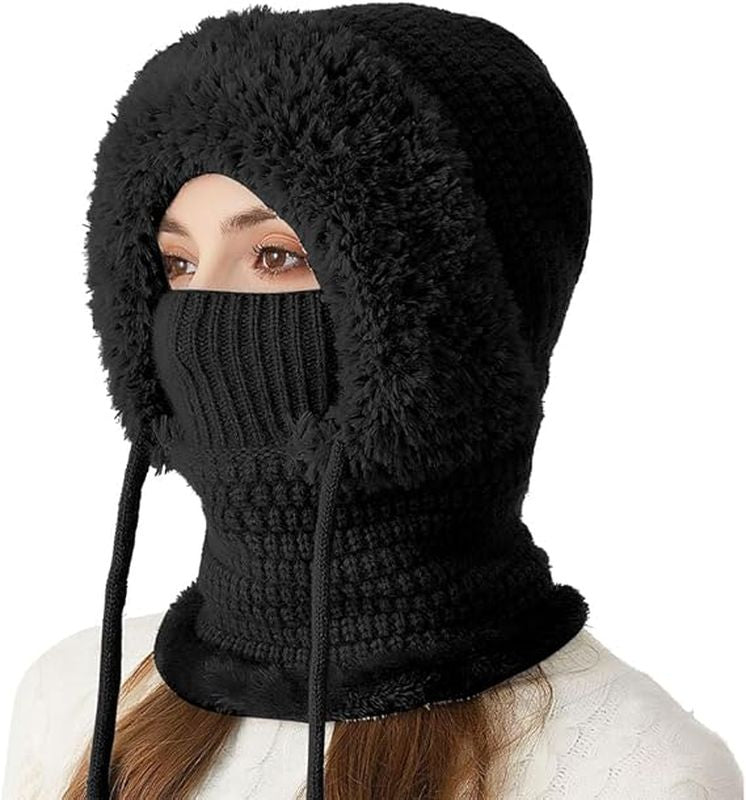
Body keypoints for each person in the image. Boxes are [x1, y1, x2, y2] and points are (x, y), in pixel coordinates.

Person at [3, 5, 744, 800]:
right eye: (178, 265)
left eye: (275, 255)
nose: (196, 323)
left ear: (448, 322)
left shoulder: (633, 771)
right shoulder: (77, 696)